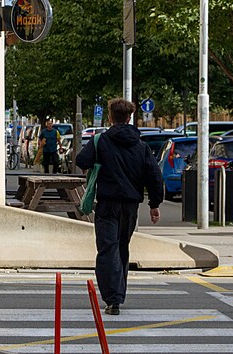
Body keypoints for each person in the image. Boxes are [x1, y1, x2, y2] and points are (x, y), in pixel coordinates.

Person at [75, 98, 163, 315]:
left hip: (107, 204)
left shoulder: (100, 141)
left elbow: (81, 160)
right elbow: (154, 176)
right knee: (122, 247)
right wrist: (154, 204)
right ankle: (118, 294)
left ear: (110, 117)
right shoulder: (141, 146)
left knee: (107, 249)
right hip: (130, 206)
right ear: (130, 117)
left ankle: (112, 298)